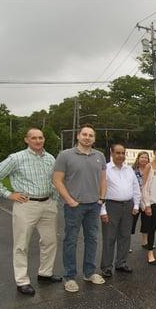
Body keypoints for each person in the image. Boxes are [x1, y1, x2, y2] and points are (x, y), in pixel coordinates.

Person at [0, 128, 61, 295]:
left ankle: (45, 273)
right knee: (21, 244)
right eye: (33, 138)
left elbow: (54, 180)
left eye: (40, 137)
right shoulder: (16, 158)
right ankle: (22, 281)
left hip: (48, 204)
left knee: (50, 242)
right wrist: (8, 194)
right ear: (26, 140)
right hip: (26, 205)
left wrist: (54, 199)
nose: (38, 141)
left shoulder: (50, 158)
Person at [53, 124, 107, 293]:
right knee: (71, 240)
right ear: (78, 136)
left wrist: (101, 199)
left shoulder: (100, 156)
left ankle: (89, 273)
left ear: (94, 138)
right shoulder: (65, 155)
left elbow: (103, 180)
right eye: (84, 134)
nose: (87, 137)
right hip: (74, 206)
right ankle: (69, 277)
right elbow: (57, 180)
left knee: (92, 239)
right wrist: (69, 200)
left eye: (91, 135)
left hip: (93, 206)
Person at [100, 144, 141, 278]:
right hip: (111, 206)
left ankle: (121, 263)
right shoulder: (105, 169)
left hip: (128, 206)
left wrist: (136, 205)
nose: (120, 156)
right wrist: (102, 210)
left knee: (125, 236)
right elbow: (100, 191)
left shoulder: (129, 169)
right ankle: (106, 266)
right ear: (111, 153)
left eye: (123, 153)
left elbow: (136, 188)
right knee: (109, 237)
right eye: (117, 153)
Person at [131, 151, 150, 249]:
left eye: (146, 158)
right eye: (142, 157)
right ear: (138, 159)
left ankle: (145, 242)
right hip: (135, 200)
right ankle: (127, 243)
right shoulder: (132, 171)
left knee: (146, 221)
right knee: (131, 222)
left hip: (146, 200)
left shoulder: (151, 171)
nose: (144, 159)